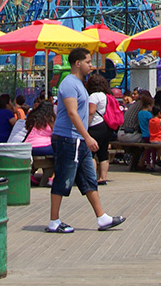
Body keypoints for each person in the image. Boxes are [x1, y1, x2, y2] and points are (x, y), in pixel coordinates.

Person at [47, 47, 125, 233]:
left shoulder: (80, 84)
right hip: (69, 138)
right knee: (63, 179)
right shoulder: (69, 84)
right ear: (77, 63)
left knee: (89, 178)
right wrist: (87, 136)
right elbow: (73, 113)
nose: (91, 65)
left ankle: (102, 217)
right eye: (88, 62)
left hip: (78, 140)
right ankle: (53, 221)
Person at [87, 72, 114, 185]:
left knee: (91, 153)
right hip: (107, 126)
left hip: (95, 126)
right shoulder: (106, 96)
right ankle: (103, 177)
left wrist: (85, 126)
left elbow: (91, 112)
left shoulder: (94, 96)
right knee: (103, 153)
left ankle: (92, 177)